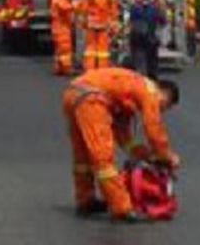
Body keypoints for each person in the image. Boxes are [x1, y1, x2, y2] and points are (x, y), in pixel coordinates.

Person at [62, 67, 181, 222]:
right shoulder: (151, 92)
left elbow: (124, 138)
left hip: (73, 94)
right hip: (91, 98)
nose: (162, 110)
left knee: (82, 157)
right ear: (165, 95)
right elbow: (154, 128)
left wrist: (147, 156)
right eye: (166, 106)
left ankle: (85, 199)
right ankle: (122, 208)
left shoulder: (127, 94)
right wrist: (166, 155)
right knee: (103, 158)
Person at [128, 0, 166, 80]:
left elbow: (131, 19)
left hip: (136, 38)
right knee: (152, 64)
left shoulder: (135, 6)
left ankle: (140, 82)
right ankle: (152, 84)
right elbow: (162, 20)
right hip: (151, 38)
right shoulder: (156, 6)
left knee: (138, 62)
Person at [79, 0, 119, 70]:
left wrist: (83, 24)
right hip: (104, 26)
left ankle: (90, 71)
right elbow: (114, 13)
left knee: (90, 50)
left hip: (91, 26)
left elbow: (83, 11)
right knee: (103, 52)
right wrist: (114, 28)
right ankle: (102, 70)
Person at [50, 0, 76, 76]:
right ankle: (67, 68)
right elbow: (65, 8)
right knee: (65, 49)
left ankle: (58, 68)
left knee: (59, 50)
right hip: (61, 28)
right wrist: (74, 5)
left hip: (61, 27)